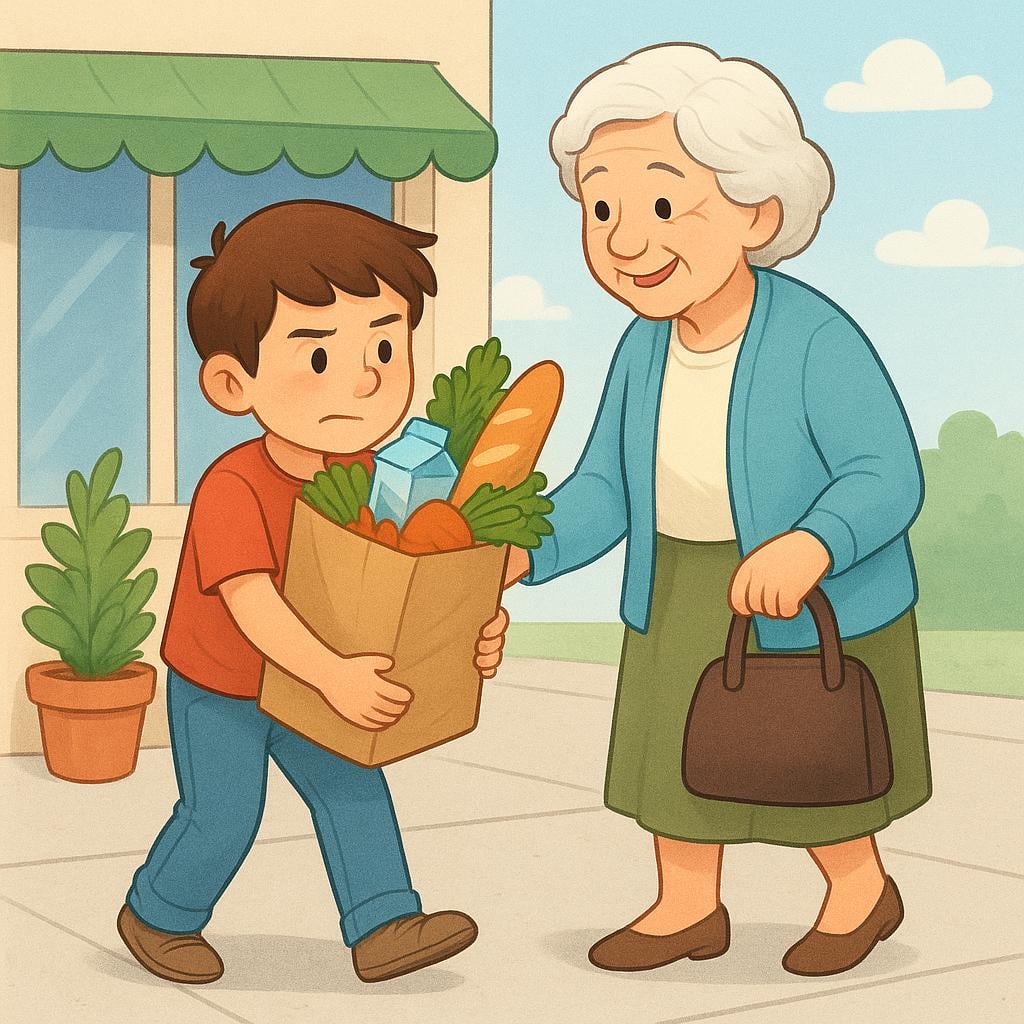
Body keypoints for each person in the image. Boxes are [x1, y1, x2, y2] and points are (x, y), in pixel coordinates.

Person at [505, 43, 931, 978]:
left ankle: (859, 885)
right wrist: (518, 553)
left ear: (757, 210)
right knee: (678, 760)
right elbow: (604, 489)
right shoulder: (639, 351)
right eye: (601, 209)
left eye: (662, 205)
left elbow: (885, 473)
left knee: (810, 756)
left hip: (812, 596)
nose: (624, 241)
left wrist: (813, 544)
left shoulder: (817, 335)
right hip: (680, 582)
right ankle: (686, 904)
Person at [119, 200, 509, 985]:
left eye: (387, 345)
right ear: (232, 383)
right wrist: (331, 672)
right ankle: (158, 911)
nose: (366, 377)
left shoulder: (375, 479)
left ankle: (386, 922)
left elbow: (397, 584)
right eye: (321, 357)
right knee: (225, 813)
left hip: (322, 677)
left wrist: (472, 629)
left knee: (353, 787)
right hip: (225, 683)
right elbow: (250, 600)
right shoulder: (233, 485)